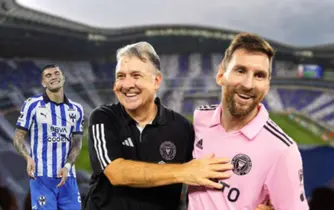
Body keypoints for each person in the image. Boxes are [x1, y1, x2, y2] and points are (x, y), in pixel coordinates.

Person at [83, 42, 233, 210]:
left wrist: (256, 201)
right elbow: (117, 173)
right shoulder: (103, 117)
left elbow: (209, 174)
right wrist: (184, 171)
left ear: (156, 81)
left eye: (136, 75)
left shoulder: (182, 128)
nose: (126, 84)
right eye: (120, 76)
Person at [188, 33, 309, 210]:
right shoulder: (201, 118)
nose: (248, 84)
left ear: (267, 85)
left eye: (259, 75)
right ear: (221, 75)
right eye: (240, 70)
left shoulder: (282, 150)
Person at [13, 64, 84, 210]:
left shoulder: (76, 109)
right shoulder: (32, 104)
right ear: (43, 83)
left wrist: (68, 166)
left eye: (56, 73)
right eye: (48, 75)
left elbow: (76, 144)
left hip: (68, 178)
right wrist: (28, 157)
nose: (54, 77)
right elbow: (18, 137)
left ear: (63, 77)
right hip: (41, 177)